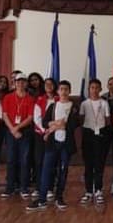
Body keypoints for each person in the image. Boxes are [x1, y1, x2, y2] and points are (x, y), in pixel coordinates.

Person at [26, 80, 79, 211]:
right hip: (52, 144)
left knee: (62, 171)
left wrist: (61, 125)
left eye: (66, 89)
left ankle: (59, 197)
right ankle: (42, 199)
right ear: (58, 91)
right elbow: (44, 123)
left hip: (66, 145)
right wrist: (57, 123)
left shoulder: (74, 107)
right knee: (46, 169)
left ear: (69, 91)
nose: (64, 92)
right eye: (61, 89)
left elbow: (73, 124)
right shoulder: (53, 106)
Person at [1, 72, 35, 198]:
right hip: (11, 132)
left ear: (26, 84)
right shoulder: (8, 97)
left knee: (25, 160)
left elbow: (30, 117)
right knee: (10, 160)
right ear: (14, 83)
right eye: (18, 82)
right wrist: (13, 129)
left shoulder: (30, 98)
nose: (20, 84)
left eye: (23, 82)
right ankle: (10, 187)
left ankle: (24, 187)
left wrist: (18, 128)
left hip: (24, 132)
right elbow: (4, 115)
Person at [79, 79, 111, 204]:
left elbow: (108, 120)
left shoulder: (104, 103)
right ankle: (88, 191)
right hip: (88, 134)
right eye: (92, 87)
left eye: (97, 87)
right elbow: (81, 120)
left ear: (101, 89)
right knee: (88, 164)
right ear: (89, 89)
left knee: (99, 164)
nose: (94, 90)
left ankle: (98, 190)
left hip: (101, 134)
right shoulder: (84, 104)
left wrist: (102, 130)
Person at [33, 77, 57, 200]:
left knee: (51, 162)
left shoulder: (59, 99)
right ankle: (39, 187)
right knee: (39, 161)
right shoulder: (40, 99)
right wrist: (44, 131)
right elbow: (36, 117)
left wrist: (50, 131)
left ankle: (49, 188)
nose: (48, 86)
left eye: (51, 84)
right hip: (40, 135)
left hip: (54, 135)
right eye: (46, 84)